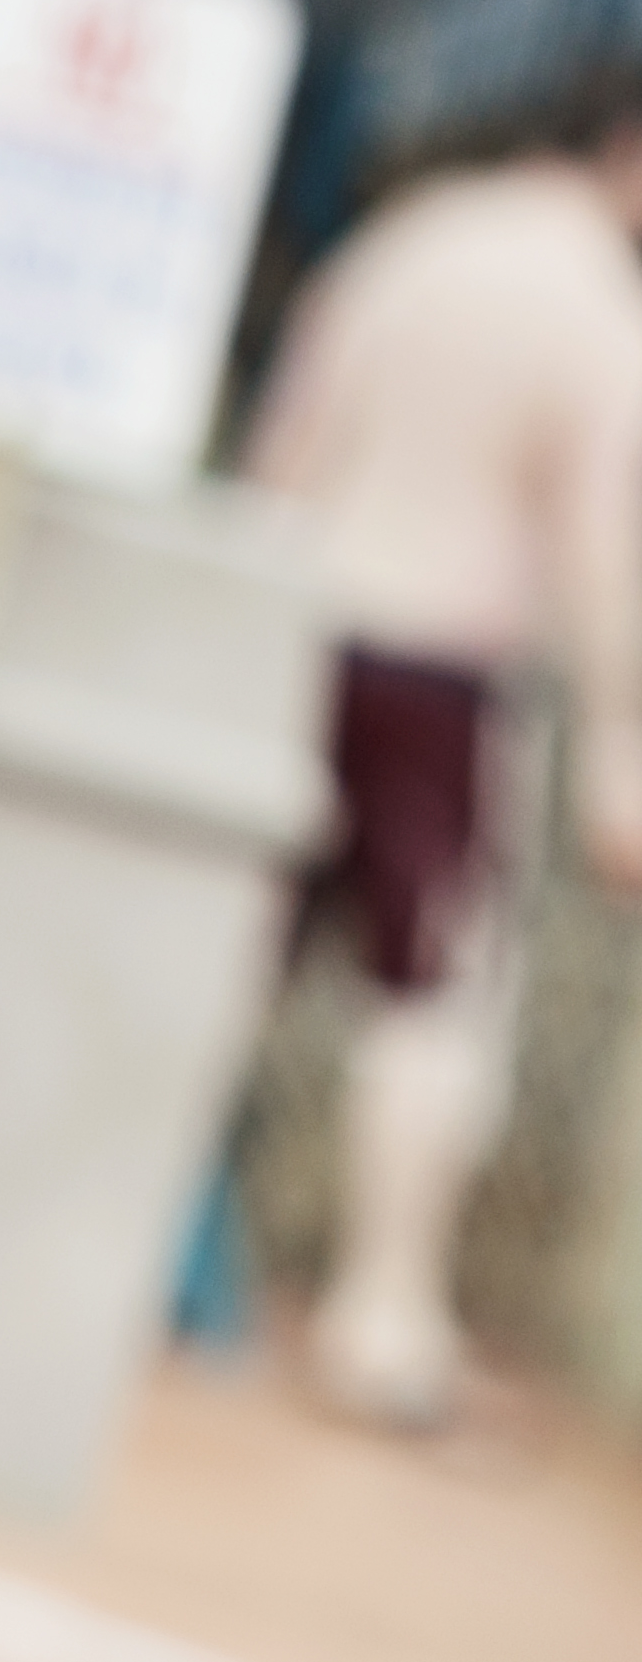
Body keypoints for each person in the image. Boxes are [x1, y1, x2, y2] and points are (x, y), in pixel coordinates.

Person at [241, 93, 642, 1428]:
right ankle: (383, 1314)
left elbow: (288, 443)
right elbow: (599, 549)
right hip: (446, 674)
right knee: (431, 1001)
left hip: (307, 623)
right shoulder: (592, 307)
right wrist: (619, 755)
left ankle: (119, 1243)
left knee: (244, 950)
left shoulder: (409, 244)